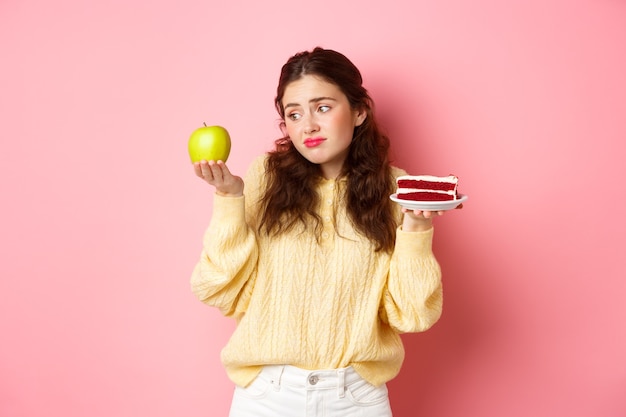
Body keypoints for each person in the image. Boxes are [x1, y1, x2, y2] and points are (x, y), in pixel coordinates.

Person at [191, 47, 448, 417]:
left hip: (356, 400)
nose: (308, 125)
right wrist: (231, 199)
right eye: (294, 114)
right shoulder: (265, 176)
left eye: (323, 107)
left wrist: (417, 230)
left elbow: (412, 313)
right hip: (267, 398)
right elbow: (216, 286)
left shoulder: (397, 188)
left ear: (359, 111)